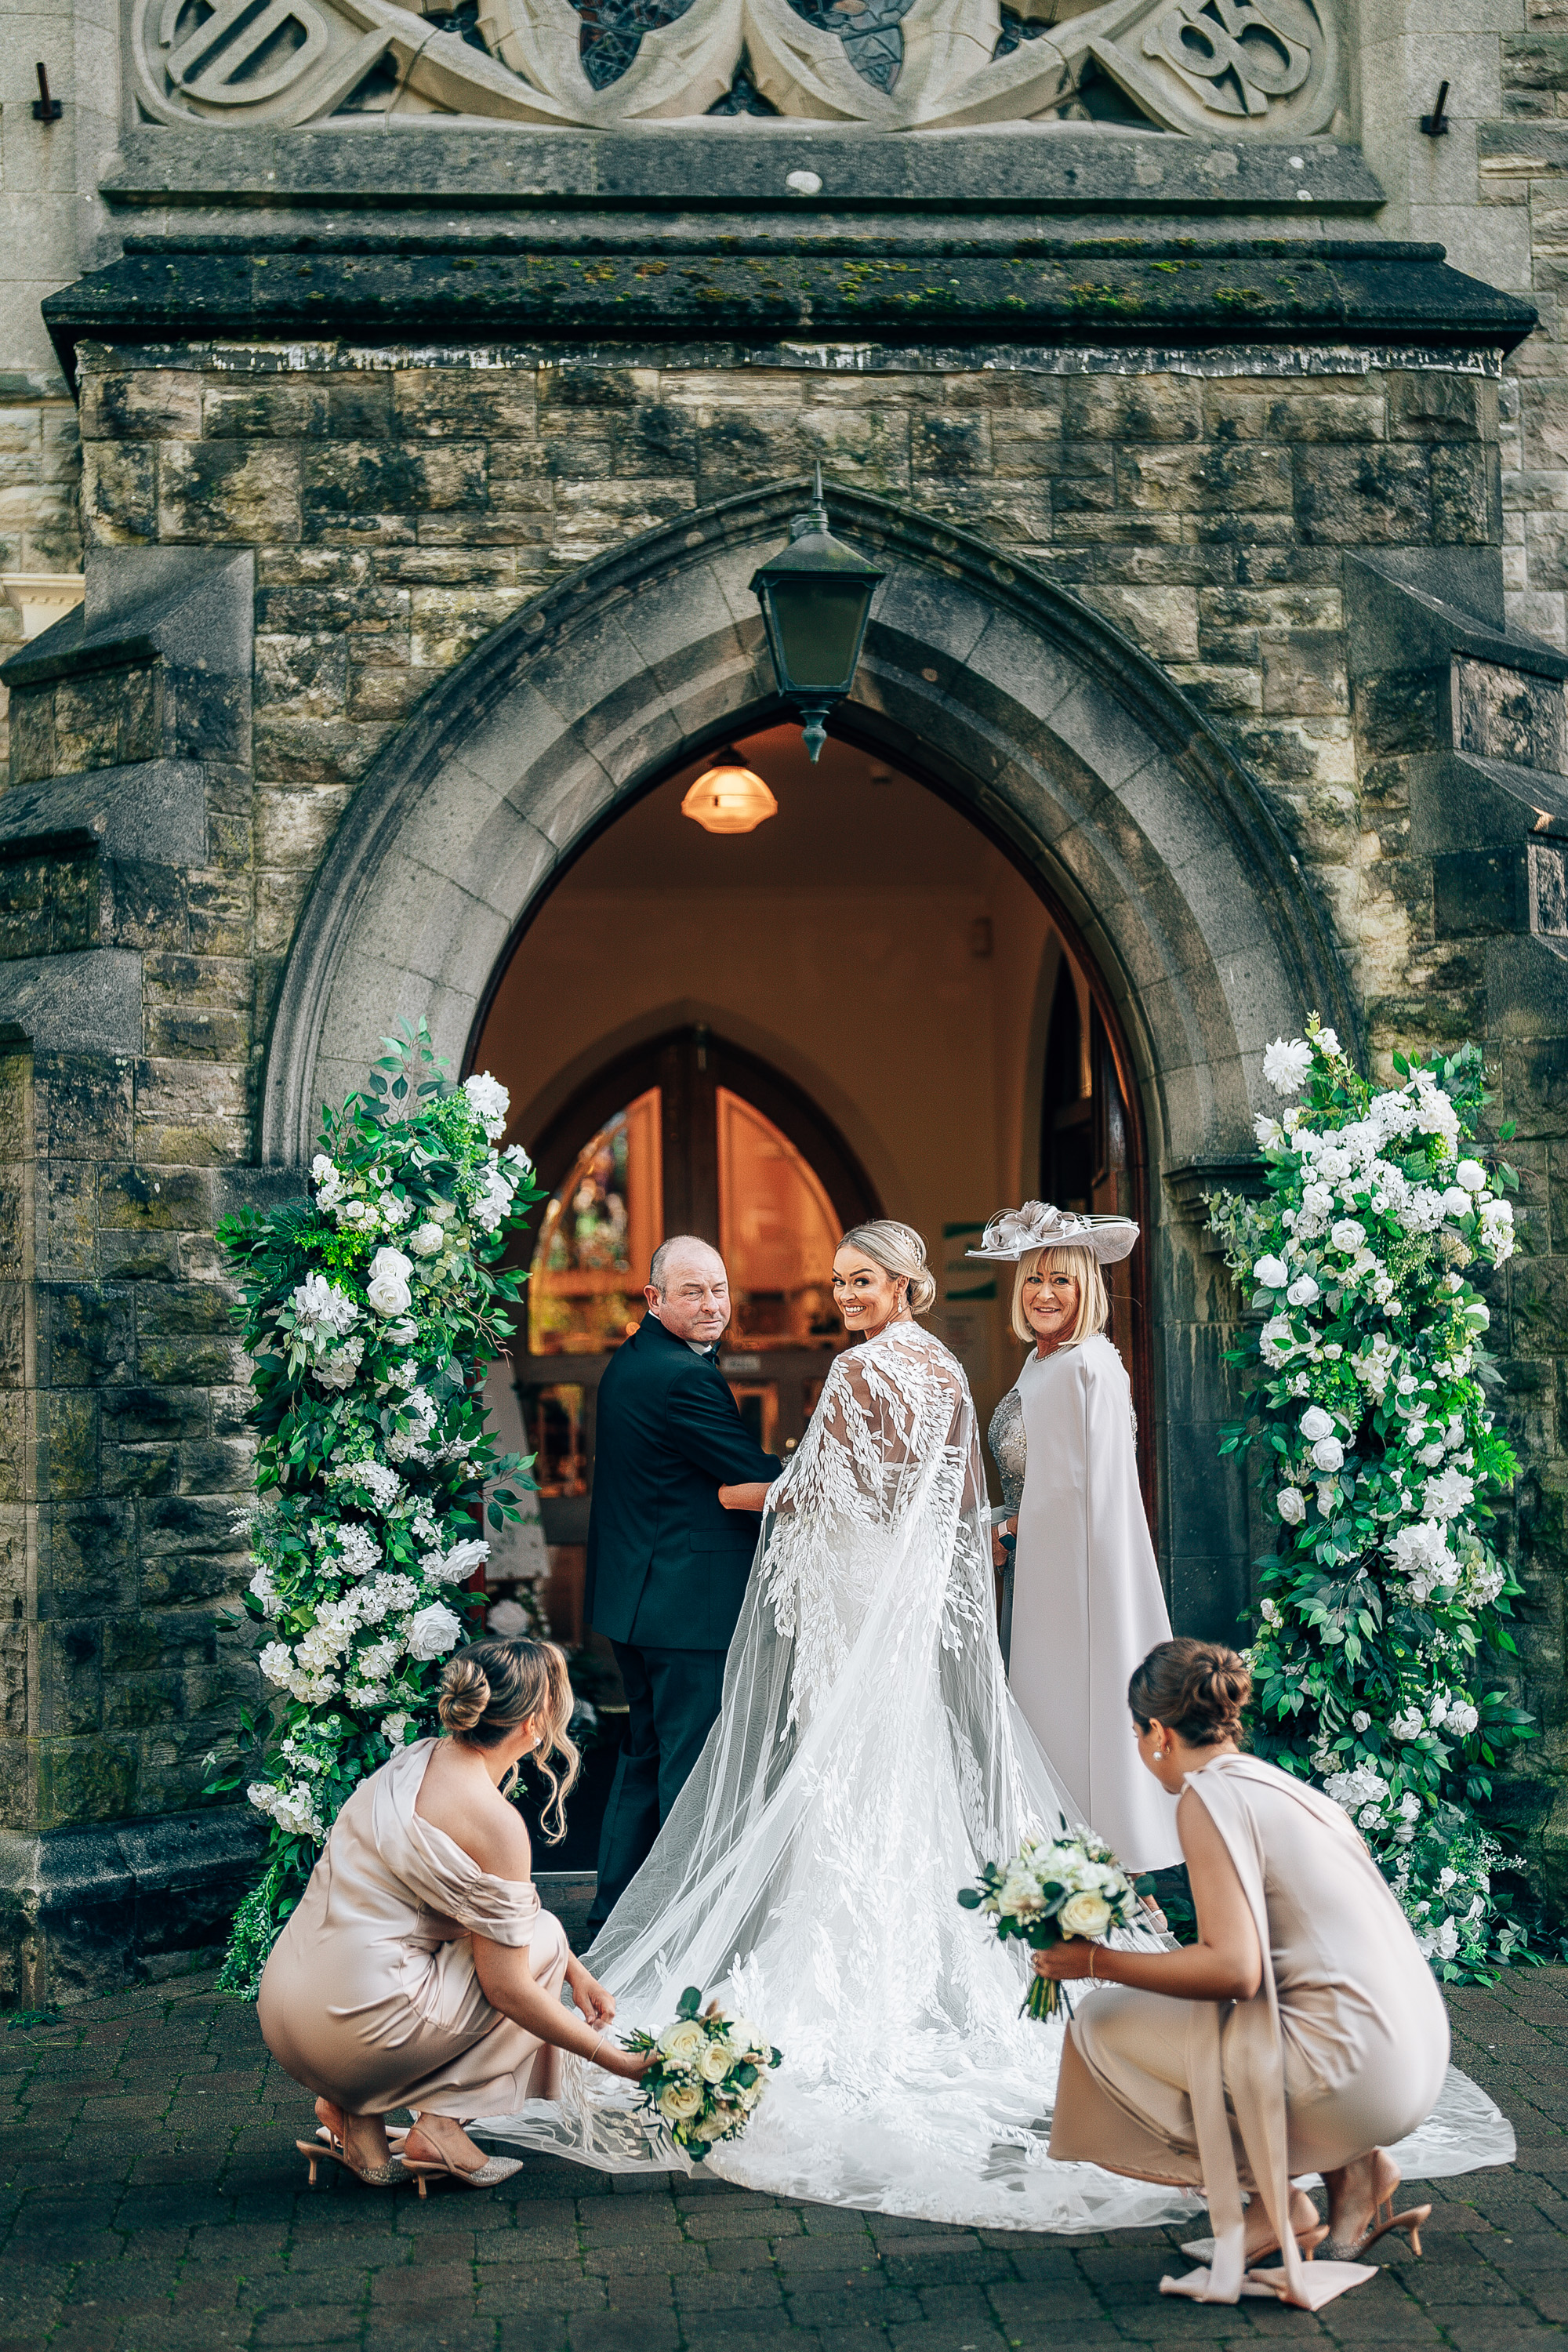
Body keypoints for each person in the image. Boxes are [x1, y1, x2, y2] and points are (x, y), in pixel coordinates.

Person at [480, 1220, 1189, 2230]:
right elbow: (930, 1500)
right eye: (838, 1281)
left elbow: (816, 1493)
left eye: (862, 1280)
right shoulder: (942, 1369)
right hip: (892, 1602)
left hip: (854, 1599)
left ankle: (853, 1968)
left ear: (907, 1285)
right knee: (897, 1769)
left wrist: (782, 1503)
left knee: (848, 1770)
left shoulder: (862, 1374)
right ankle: (931, 1959)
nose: (846, 1294)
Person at [1040, 1639, 1457, 2310]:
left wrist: (1090, 1961)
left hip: (1355, 2075)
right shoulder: (1281, 1788)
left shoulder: (1206, 1797)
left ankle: (1277, 2207)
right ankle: (1353, 2174)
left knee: (1100, 2024)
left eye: (1137, 1734)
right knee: (1236, 2021)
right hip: (1415, 2056)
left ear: (1157, 1733)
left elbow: (1231, 1969)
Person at [257, 1637, 648, 2191]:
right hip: (356, 2033)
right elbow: (509, 1989)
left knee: (523, 1936)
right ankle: (440, 2127)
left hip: (288, 2012)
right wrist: (619, 2061)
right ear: (535, 1724)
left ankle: (356, 2120)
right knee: (536, 1944)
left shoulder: (414, 1761)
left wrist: (575, 1972)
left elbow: (458, 1910)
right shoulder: (495, 1822)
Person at [974, 1201, 1180, 1875]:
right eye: (1034, 1279)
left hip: (1071, 1584)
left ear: (1086, 1287)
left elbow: (1075, 1493)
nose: (1044, 1294)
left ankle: (1097, 1877)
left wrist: (1009, 1528)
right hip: (1041, 1574)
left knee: (1071, 1724)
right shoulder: (1045, 1362)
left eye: (1061, 1280)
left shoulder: (1084, 1366)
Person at [583, 1235, 782, 1933]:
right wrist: (835, 1464)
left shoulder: (635, 1360)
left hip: (639, 1601)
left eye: (720, 1290)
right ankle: (680, 1926)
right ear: (654, 1298)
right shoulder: (683, 1376)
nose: (712, 1305)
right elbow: (745, 1470)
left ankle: (616, 1915)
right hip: (686, 1605)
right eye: (693, 1292)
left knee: (646, 1757)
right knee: (692, 1772)